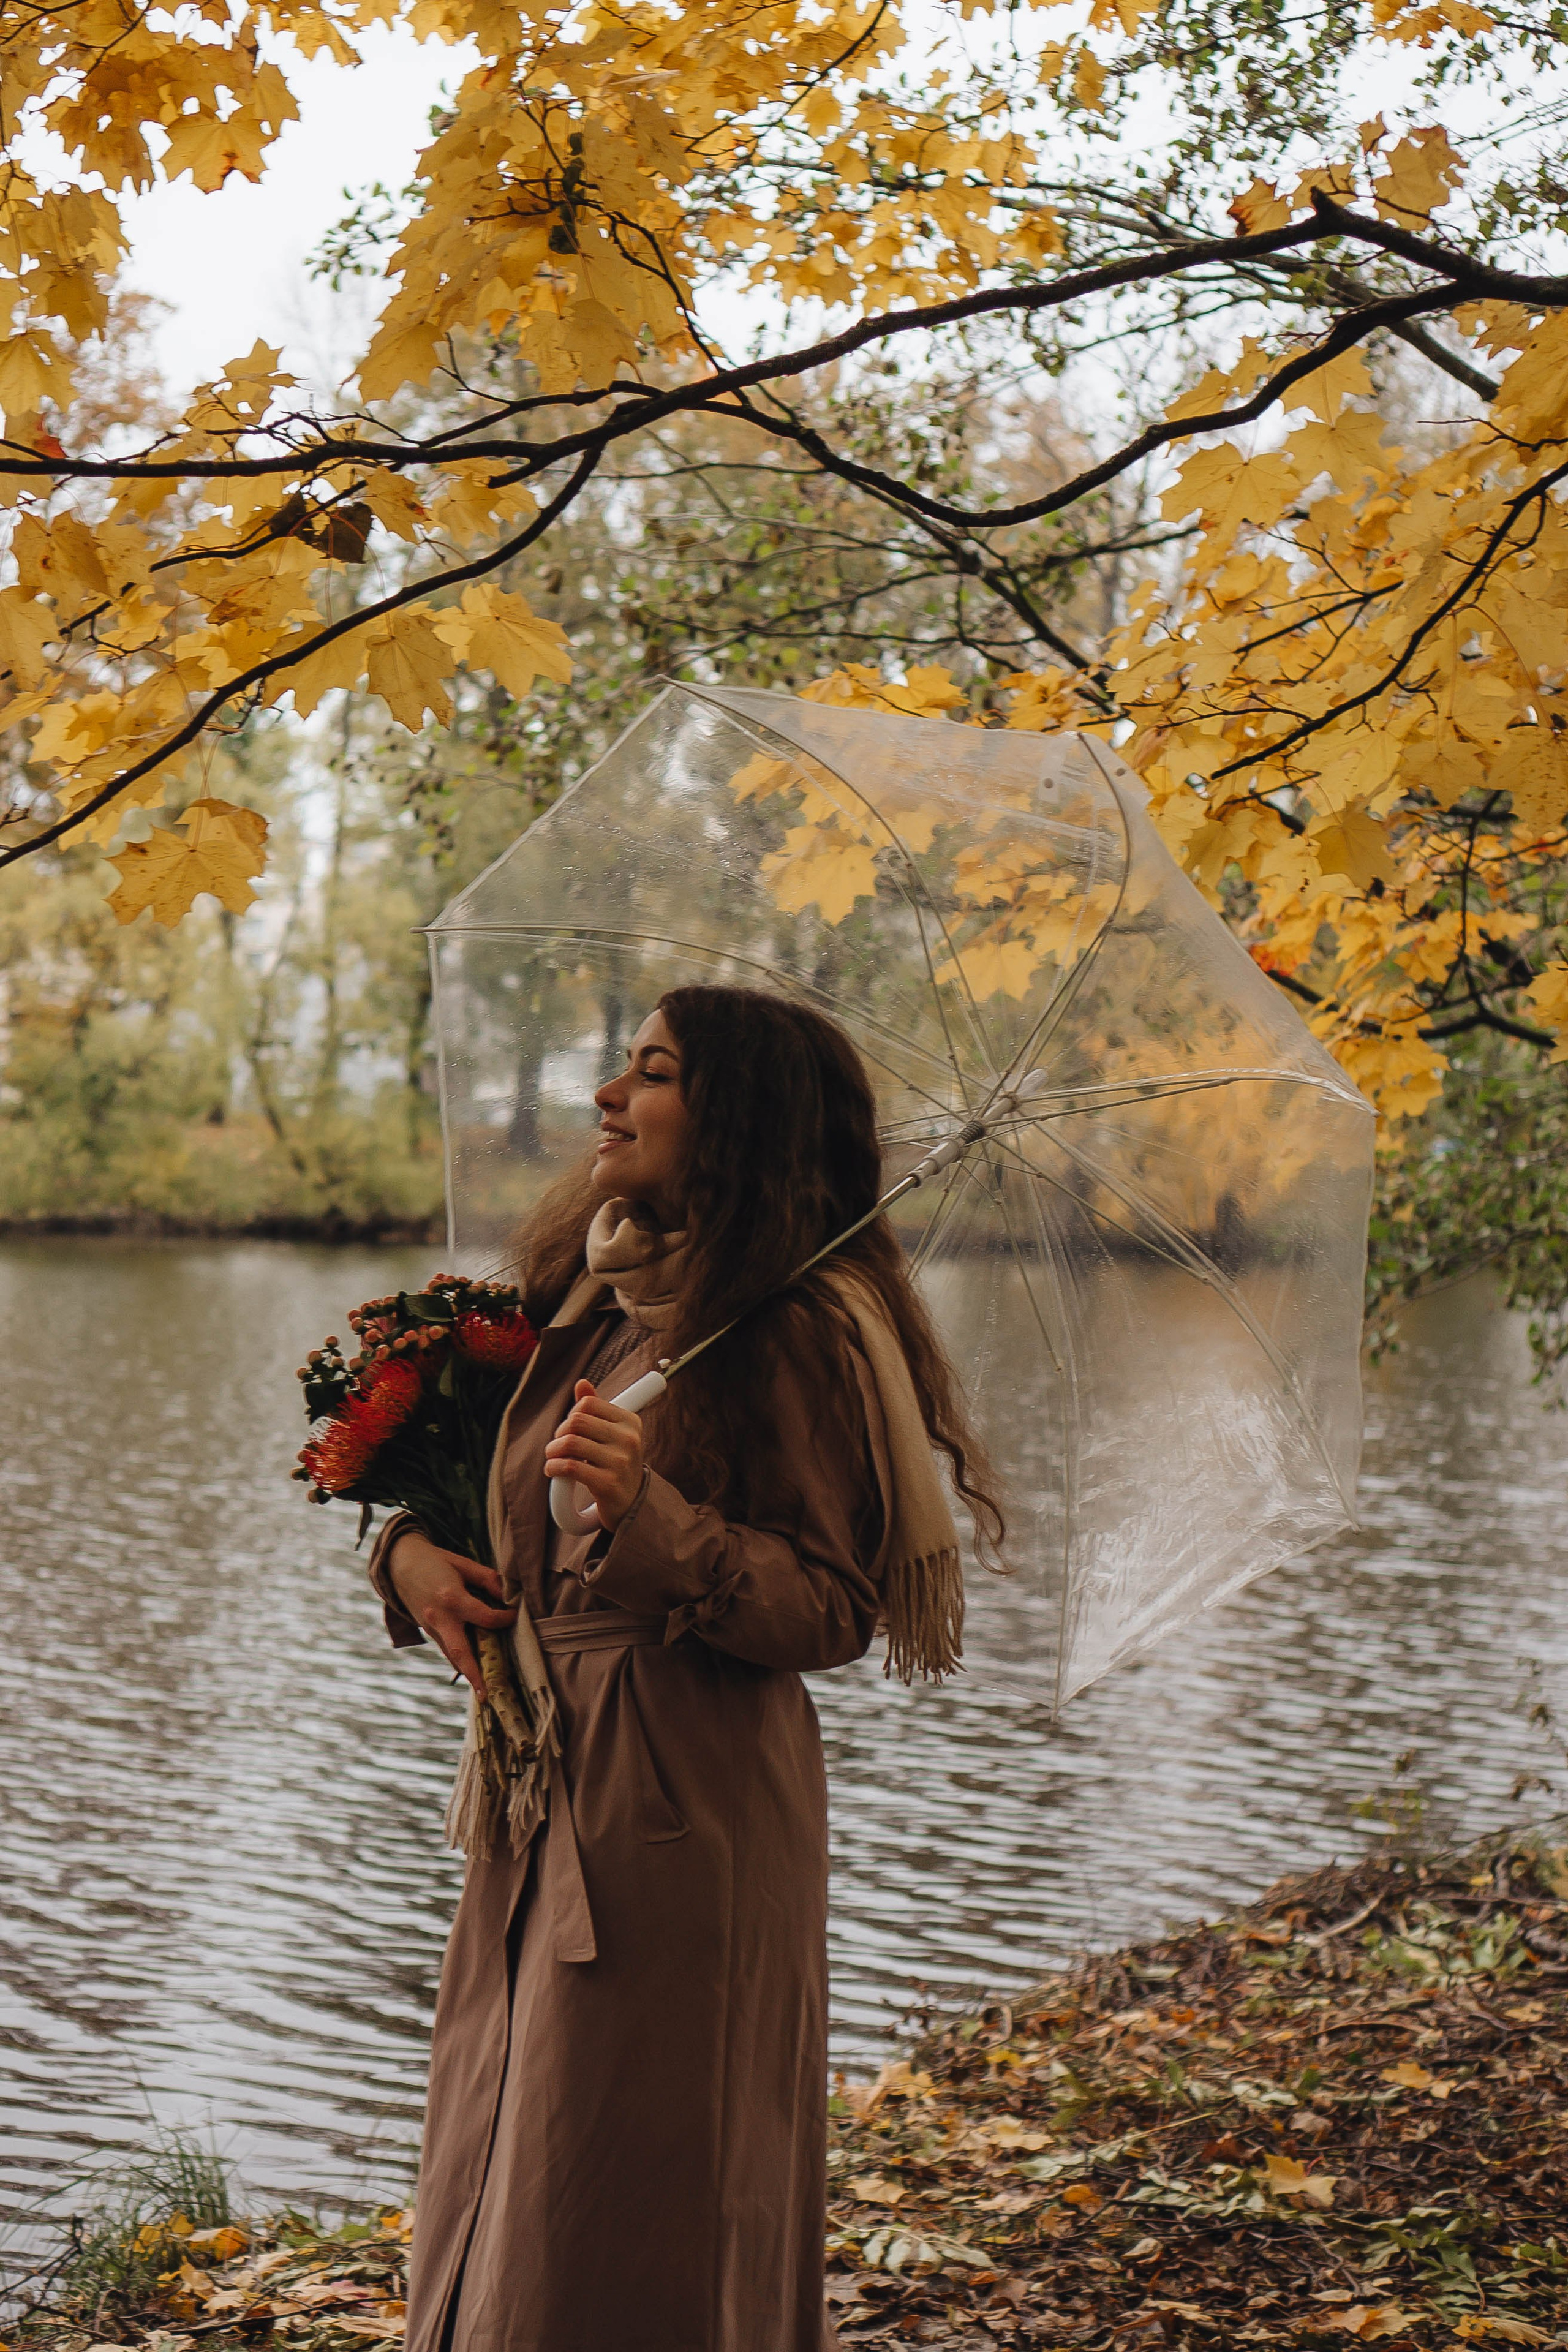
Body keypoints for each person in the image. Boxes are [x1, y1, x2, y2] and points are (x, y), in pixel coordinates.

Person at [371, 984, 1001, 2352]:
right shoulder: (587, 1293)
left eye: (649, 1073)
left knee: (625, 2171)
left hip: (684, 1809)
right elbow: (468, 1505)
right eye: (621, 1067)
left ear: (736, 1118)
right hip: (539, 1780)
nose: (606, 1097)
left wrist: (650, 1517)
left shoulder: (800, 1328)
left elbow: (832, 1607)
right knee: (504, 2129)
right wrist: (409, 1560)